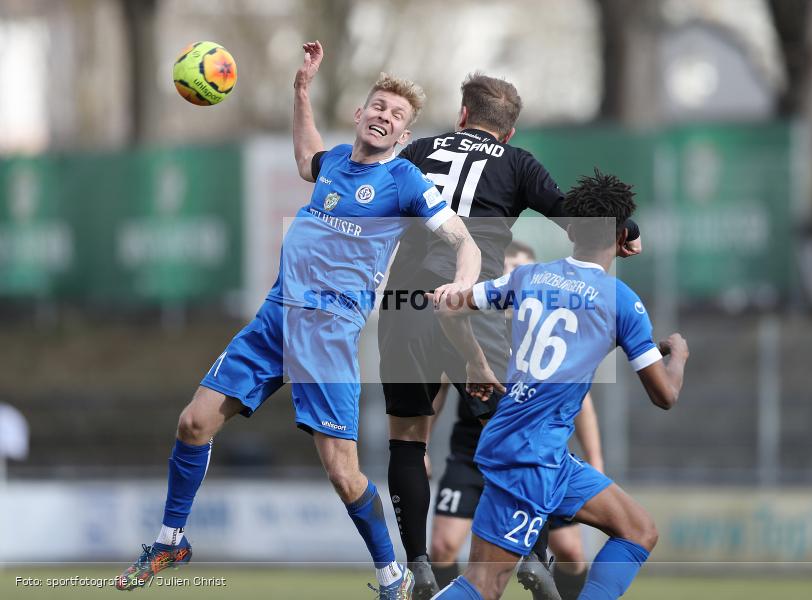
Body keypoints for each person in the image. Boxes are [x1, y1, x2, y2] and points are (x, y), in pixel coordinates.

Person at [115, 41, 481, 600]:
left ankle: (392, 575)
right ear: (360, 115)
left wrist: (463, 280)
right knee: (192, 423)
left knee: (343, 473)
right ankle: (170, 540)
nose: (384, 116)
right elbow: (306, 156)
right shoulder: (335, 162)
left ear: (404, 136)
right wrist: (302, 89)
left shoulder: (404, 181)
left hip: (330, 332)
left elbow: (462, 238)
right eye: (378, 106)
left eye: (397, 115)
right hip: (274, 319)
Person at [377, 73, 641, 598]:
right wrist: (625, 231)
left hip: (406, 307)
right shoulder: (516, 162)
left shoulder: (421, 151)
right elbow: (575, 217)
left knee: (408, 440)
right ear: (509, 129)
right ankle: (535, 555)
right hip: (472, 306)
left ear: (461, 115)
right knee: (517, 427)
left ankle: (418, 566)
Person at [430, 169, 689, 600]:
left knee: (638, 530)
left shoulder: (528, 277)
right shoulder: (621, 300)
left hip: (545, 451)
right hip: (529, 457)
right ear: (624, 237)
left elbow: (450, 308)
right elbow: (665, 395)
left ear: (570, 233)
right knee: (483, 586)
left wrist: (475, 362)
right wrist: (677, 355)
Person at [429, 241, 604, 600]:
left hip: (537, 455)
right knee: (444, 545)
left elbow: (582, 402)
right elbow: (438, 391)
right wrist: (420, 446)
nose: (510, 274)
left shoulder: (550, 332)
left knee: (571, 552)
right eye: (504, 267)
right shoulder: (469, 329)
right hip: (471, 453)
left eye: (519, 267)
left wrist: (596, 460)